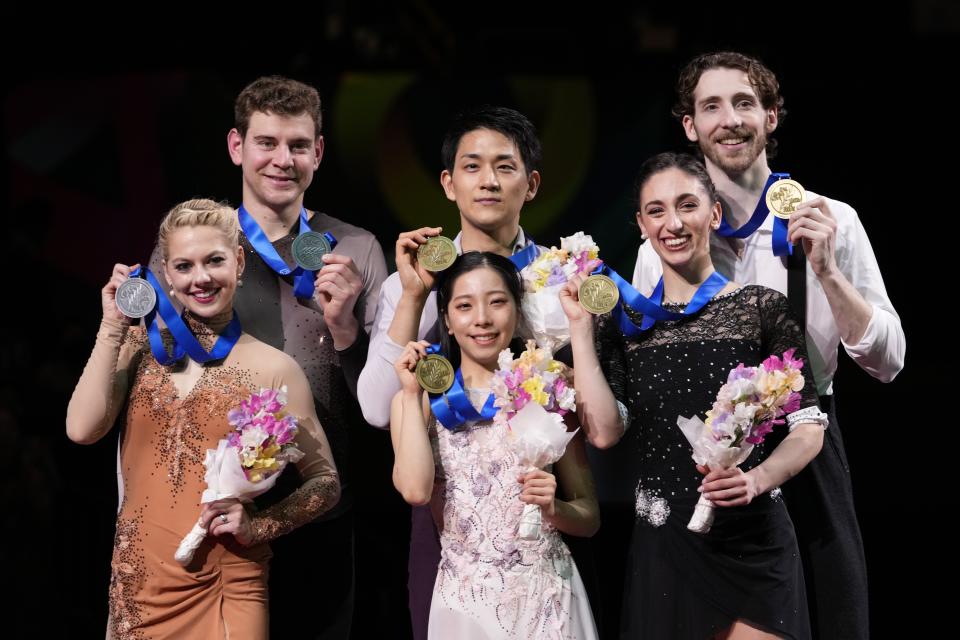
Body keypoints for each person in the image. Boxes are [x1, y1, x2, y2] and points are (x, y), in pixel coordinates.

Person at [632, 52, 905, 639]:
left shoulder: (833, 220)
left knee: (829, 612)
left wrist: (828, 272)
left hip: (805, 440)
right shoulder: (666, 236)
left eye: (745, 103)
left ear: (772, 117)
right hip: (702, 459)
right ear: (689, 126)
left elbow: (888, 361)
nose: (729, 120)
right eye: (711, 106)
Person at [151, 75, 388, 638]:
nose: (282, 160)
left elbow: (381, 404)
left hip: (321, 508)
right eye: (267, 143)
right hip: (213, 513)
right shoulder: (192, 251)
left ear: (319, 153)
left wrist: (348, 330)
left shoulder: (356, 249)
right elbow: (157, 376)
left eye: (298, 146)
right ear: (237, 147)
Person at [569, 153, 826, 638]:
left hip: (755, 540)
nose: (674, 222)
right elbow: (603, 433)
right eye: (657, 210)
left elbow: (809, 427)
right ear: (641, 225)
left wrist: (757, 479)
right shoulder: (629, 327)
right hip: (664, 546)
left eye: (687, 205)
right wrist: (583, 332)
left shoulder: (761, 308)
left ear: (713, 214)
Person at [67, 199, 340, 639]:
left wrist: (260, 526)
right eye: (184, 266)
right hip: (139, 584)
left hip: (225, 586)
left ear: (239, 260)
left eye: (214, 260)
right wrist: (112, 326)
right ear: (168, 276)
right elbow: (81, 429)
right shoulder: (139, 348)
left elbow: (325, 482)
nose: (201, 278)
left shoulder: (273, 368)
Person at [357, 105, 544, 638]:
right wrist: (416, 298)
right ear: (447, 183)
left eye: (505, 167)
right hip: (448, 523)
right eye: (472, 166)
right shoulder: (409, 283)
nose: (488, 181)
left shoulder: (560, 279)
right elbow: (374, 409)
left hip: (542, 516)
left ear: (530, 185)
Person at [391, 251, 599, 639]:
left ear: (517, 311)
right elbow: (416, 491)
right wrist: (408, 395)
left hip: (547, 600)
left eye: (497, 301)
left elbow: (589, 518)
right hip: (464, 608)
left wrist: (555, 509)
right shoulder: (418, 400)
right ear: (448, 321)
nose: (482, 318)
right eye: (464, 305)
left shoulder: (549, 390)